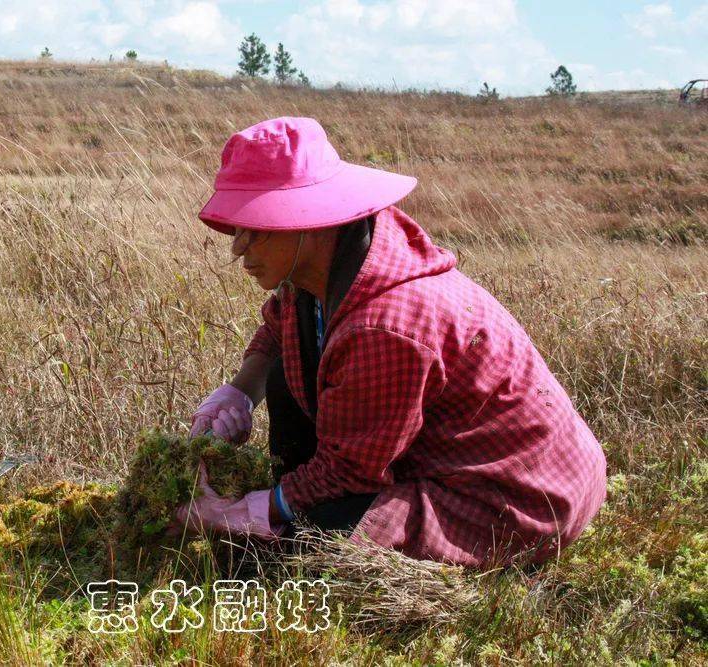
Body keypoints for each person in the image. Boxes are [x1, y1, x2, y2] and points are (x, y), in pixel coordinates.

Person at [174, 116, 607, 568]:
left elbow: (348, 472)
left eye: (255, 229)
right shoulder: (326, 263)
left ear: (309, 221)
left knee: (315, 546)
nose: (237, 248)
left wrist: (249, 512)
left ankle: (291, 508)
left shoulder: (384, 325)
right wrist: (239, 393)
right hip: (454, 456)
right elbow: (277, 331)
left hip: (516, 494)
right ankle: (290, 498)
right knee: (289, 379)